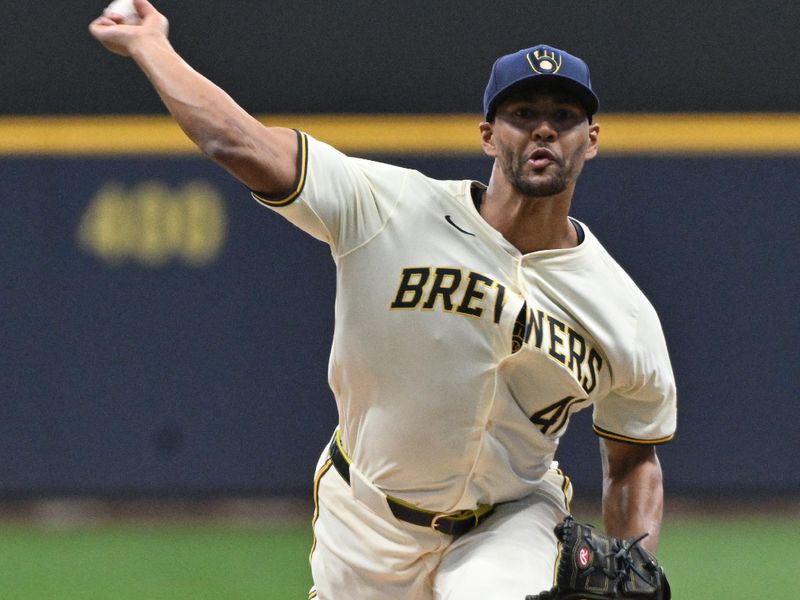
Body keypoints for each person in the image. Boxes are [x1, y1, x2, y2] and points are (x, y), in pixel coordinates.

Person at [90, 2, 677, 598]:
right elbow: (237, 142)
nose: (544, 128)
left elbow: (633, 456)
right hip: (365, 517)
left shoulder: (621, 310)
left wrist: (639, 561)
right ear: (487, 135)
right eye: (523, 113)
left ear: (592, 139)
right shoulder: (389, 207)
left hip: (511, 521)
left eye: (565, 115)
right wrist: (150, 46)